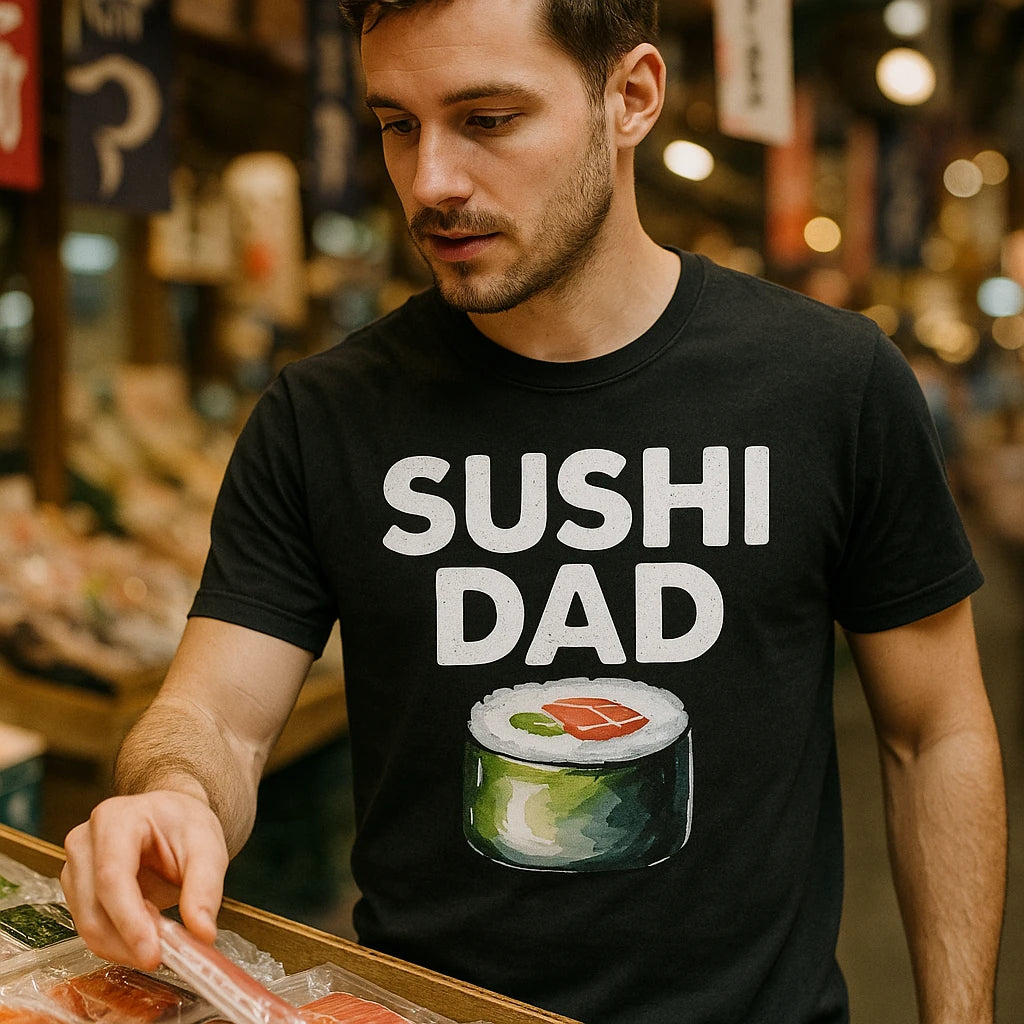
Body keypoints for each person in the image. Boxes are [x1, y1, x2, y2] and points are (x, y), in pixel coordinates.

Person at [60, 1, 1007, 1022]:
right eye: (397, 124)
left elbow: (933, 730)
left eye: (489, 118)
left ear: (631, 98)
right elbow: (217, 719)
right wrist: (173, 794)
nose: (432, 182)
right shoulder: (321, 417)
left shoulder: (827, 382)